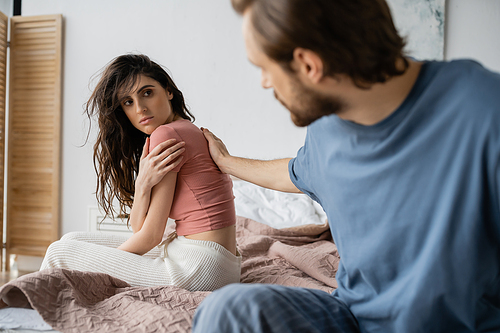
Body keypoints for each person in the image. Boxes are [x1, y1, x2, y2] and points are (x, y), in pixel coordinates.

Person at [191, 0, 500, 332]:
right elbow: (297, 172)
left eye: (264, 67)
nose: (266, 82)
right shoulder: (327, 126)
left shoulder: (484, 111)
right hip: (354, 319)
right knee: (227, 312)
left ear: (309, 65)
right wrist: (225, 162)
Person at [40, 54, 241, 291]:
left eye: (147, 93)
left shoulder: (167, 136)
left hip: (200, 267)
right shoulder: (184, 129)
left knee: (59, 251)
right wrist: (141, 185)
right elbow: (139, 228)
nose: (140, 108)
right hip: (212, 260)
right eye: (128, 102)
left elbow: (150, 237)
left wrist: (101, 265)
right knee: (71, 240)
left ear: (168, 91)